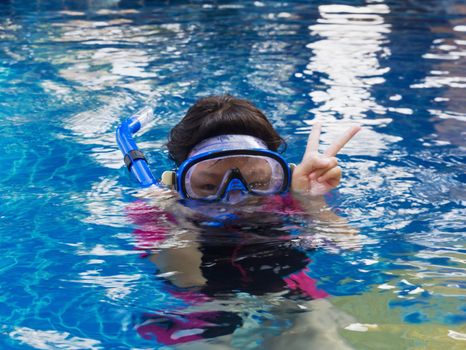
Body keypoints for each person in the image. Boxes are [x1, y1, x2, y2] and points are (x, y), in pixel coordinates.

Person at [121, 95, 361, 348]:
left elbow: (347, 246)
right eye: (209, 186)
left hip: (284, 285)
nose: (236, 198)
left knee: (316, 332)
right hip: (201, 296)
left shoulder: (295, 196)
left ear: (281, 175)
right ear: (177, 183)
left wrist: (312, 203)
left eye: (257, 182)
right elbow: (187, 280)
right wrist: (176, 220)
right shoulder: (157, 213)